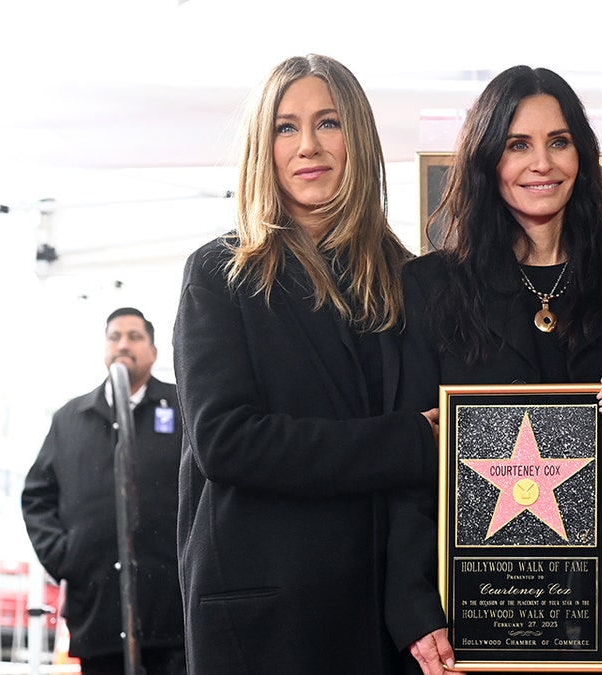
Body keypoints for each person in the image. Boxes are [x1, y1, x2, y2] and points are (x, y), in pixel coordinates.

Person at [385, 65, 602, 675]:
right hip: (477, 618)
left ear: (583, 152)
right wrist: (414, 606)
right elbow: (411, 467)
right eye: (517, 144)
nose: (541, 163)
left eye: (559, 141)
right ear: (487, 160)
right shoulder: (429, 287)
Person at [172, 54, 437, 673]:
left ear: (359, 138)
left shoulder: (410, 281)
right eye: (286, 127)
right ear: (262, 146)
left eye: (329, 122)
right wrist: (408, 442)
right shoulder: (219, 274)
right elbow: (226, 441)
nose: (308, 146)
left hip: (382, 619)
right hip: (265, 618)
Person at [22, 307, 186, 674]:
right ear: (104, 348)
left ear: (154, 352)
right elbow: (37, 496)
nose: (123, 344)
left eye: (135, 336)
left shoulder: (182, 408)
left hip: (171, 612)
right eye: (115, 337)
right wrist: (67, 557)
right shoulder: (71, 419)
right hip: (98, 612)